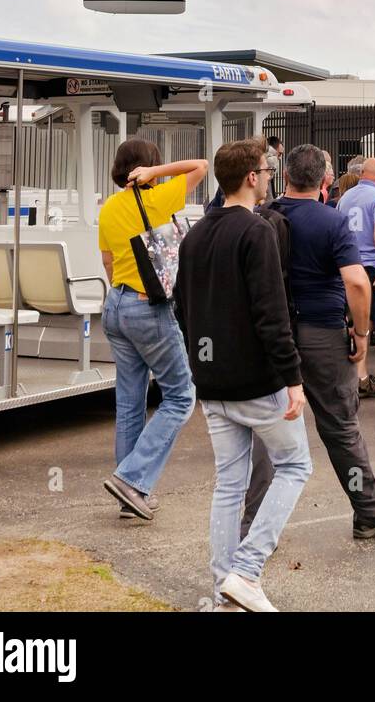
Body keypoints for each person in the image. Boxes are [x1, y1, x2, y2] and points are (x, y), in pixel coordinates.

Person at [173, 138, 310, 613]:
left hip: (212, 383)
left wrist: (202, 361)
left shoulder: (193, 236)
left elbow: (182, 309)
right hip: (257, 380)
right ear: (251, 176)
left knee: (230, 484)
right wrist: (293, 377)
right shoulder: (257, 233)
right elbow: (271, 313)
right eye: (266, 170)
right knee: (295, 466)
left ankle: (223, 588)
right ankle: (247, 571)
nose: (270, 175)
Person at [261, 144, 375, 539]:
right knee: (339, 425)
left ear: (285, 176)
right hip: (322, 331)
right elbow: (357, 281)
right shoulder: (330, 221)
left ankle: (254, 520)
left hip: (273, 333)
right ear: (325, 180)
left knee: (263, 426)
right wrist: (360, 333)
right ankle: (371, 508)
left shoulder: (263, 216)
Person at [99, 140, 207, 521]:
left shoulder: (109, 208)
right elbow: (201, 165)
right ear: (149, 167)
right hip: (149, 307)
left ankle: (128, 493)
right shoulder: (162, 197)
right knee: (181, 396)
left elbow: (108, 263)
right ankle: (132, 479)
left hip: (115, 305)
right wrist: (156, 175)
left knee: (129, 403)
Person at [338, 157, 375, 396]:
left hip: (350, 264)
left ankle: (361, 375)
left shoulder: (345, 198)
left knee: (357, 318)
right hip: (373, 264)